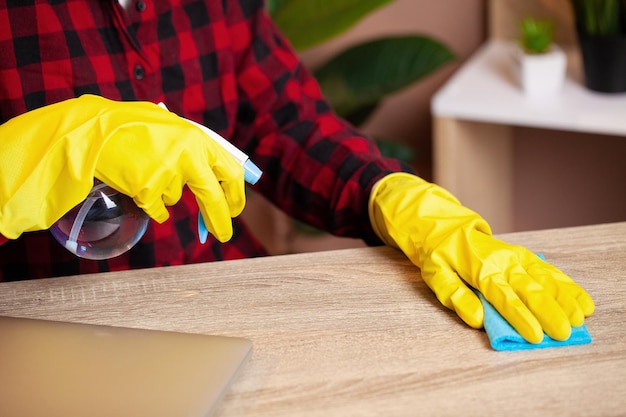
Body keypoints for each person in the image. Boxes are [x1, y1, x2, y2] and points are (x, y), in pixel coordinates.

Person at [0, 0, 594, 344]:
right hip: (52, 333)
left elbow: (288, 126)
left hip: (229, 306)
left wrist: (395, 196)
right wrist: (37, 154)